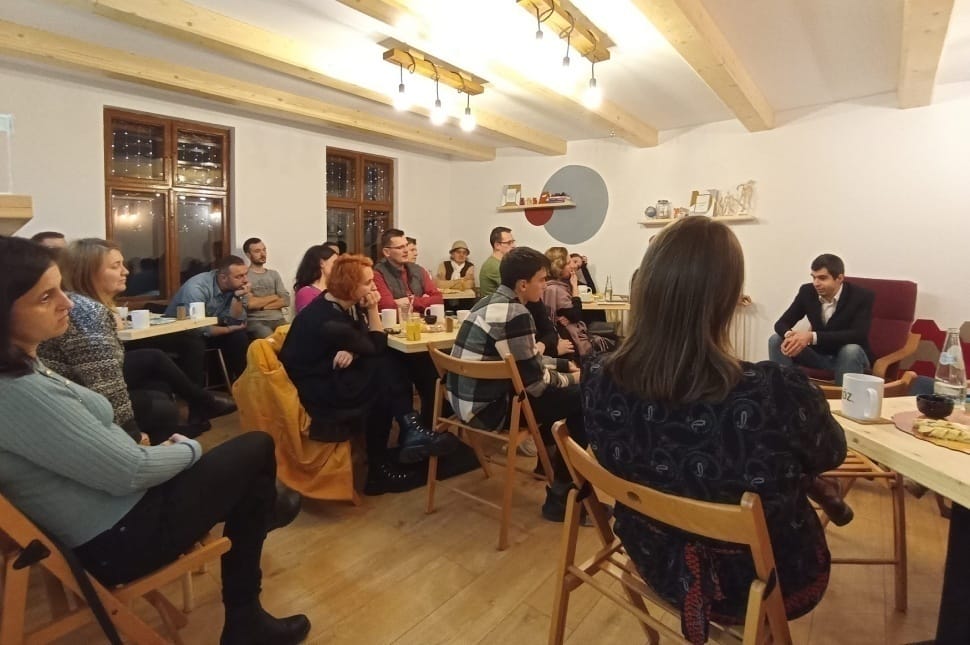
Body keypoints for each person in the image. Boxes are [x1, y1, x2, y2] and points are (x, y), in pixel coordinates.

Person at [0, 235, 309, 645]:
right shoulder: (17, 391)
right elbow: (130, 470)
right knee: (255, 448)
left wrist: (157, 451)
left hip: (114, 510)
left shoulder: (28, 366)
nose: (68, 304)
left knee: (243, 462)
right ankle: (247, 606)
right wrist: (188, 448)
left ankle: (258, 521)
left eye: (61, 289)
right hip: (119, 537)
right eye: (46, 297)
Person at [582, 218, 846, 643]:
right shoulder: (775, 392)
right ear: (727, 298)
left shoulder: (597, 376)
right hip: (760, 577)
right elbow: (830, 453)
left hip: (652, 552)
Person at [279, 254, 459, 493]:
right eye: (367, 283)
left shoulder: (335, 303)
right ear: (349, 287)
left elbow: (363, 337)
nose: (374, 287)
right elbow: (376, 343)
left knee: (390, 368)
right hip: (319, 389)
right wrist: (373, 309)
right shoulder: (328, 320)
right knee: (383, 371)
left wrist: (353, 350)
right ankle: (389, 455)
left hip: (330, 372)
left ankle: (408, 431)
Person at [37, 238, 236, 444]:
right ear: (89, 272)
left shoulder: (84, 304)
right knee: (161, 401)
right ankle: (160, 439)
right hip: (74, 398)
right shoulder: (87, 311)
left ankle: (180, 424)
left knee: (157, 375)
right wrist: (131, 432)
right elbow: (105, 385)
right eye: (116, 266)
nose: (126, 271)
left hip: (74, 387)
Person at [446, 246, 586, 520]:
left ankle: (550, 466)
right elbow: (536, 385)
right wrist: (575, 377)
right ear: (523, 284)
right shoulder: (516, 313)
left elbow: (522, 359)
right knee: (582, 397)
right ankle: (562, 498)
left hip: (461, 405)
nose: (544, 286)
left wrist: (560, 365)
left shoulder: (486, 303)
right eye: (542, 280)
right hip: (490, 411)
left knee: (564, 394)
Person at [769, 253, 873, 385]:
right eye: (814, 277)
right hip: (818, 355)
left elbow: (858, 335)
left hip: (848, 357)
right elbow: (781, 323)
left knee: (850, 350)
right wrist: (791, 336)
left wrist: (811, 336)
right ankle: (785, 391)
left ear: (839, 278)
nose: (816, 283)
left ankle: (843, 397)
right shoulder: (807, 292)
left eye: (822, 278)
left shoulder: (861, 296)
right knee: (776, 340)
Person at [165, 255, 252, 383]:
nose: (245, 280)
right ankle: (196, 392)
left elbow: (237, 321)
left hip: (211, 329)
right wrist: (228, 329)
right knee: (195, 344)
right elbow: (196, 328)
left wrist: (238, 297)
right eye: (239, 276)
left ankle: (243, 386)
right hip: (180, 331)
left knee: (239, 337)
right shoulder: (197, 288)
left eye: (245, 275)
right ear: (223, 278)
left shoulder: (236, 288)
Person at [543, 247, 613, 358]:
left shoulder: (561, 284)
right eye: (568, 263)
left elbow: (573, 315)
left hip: (574, 333)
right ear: (559, 267)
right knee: (615, 345)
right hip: (570, 340)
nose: (572, 266)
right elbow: (576, 315)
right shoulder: (554, 289)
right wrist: (575, 288)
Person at [372, 228, 443, 314]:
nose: (406, 250)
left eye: (406, 245)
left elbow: (438, 299)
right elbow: (387, 306)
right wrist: (424, 301)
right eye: (400, 247)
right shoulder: (378, 274)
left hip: (421, 320)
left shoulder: (418, 270)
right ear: (387, 252)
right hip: (396, 322)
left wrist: (410, 301)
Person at [242, 238, 290, 339]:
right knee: (271, 342)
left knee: (296, 338)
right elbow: (250, 304)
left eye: (264, 250)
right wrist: (274, 296)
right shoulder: (244, 276)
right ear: (248, 255)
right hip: (256, 322)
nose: (263, 254)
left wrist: (261, 306)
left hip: (279, 319)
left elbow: (286, 300)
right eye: (257, 251)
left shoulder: (274, 274)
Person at [293, 244, 337, 314]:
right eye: (335, 262)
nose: (338, 266)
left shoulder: (334, 290)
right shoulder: (306, 293)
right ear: (321, 263)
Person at [478, 226, 514, 298]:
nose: (513, 246)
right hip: (495, 304)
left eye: (513, 242)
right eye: (509, 243)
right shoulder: (493, 266)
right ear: (497, 245)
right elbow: (513, 290)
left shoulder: (498, 263)